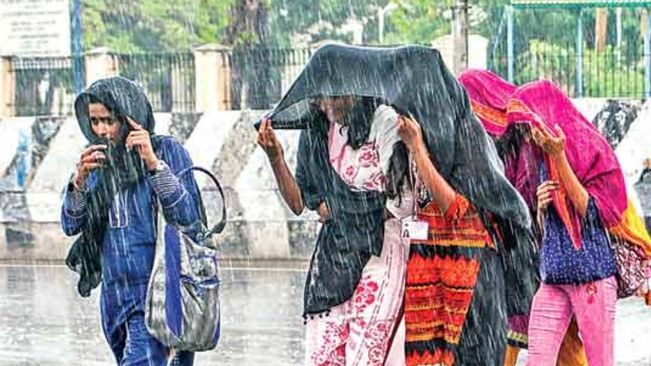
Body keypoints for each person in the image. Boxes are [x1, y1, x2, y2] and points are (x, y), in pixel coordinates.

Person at [256, 44, 535, 366]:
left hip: (416, 261)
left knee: (376, 357)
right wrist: (277, 158)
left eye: (331, 95)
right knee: (324, 354)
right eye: (319, 96)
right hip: (361, 262)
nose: (323, 104)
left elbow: (430, 207)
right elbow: (304, 202)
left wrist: (414, 151)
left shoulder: (405, 130)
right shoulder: (323, 132)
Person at [506, 80, 651, 366]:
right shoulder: (537, 157)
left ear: (544, 114)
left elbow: (595, 213)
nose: (527, 134)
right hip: (554, 274)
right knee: (538, 358)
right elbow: (544, 228)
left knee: (600, 361)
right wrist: (541, 205)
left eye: (529, 124)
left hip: (591, 277)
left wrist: (560, 157)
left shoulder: (587, 146)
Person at [61, 77, 200, 366]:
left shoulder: (166, 151)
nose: (102, 130)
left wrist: (153, 164)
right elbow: (71, 225)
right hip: (114, 298)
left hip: (160, 292)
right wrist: (79, 182)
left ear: (130, 117)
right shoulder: (97, 162)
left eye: (109, 121)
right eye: (95, 121)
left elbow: (188, 216)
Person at [458, 69, 587, 366]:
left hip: (542, 258)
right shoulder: (490, 143)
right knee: (512, 340)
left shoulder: (527, 134)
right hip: (515, 262)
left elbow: (529, 200)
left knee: (559, 344)